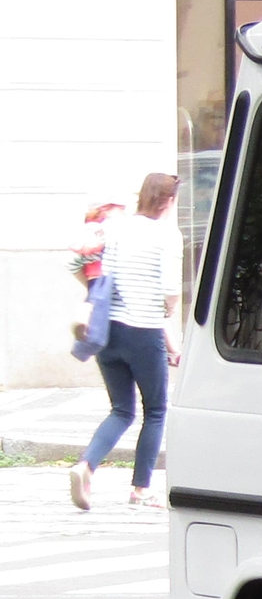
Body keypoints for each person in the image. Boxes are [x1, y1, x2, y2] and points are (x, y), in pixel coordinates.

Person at [70, 172, 183, 511]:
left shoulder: (119, 228)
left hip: (109, 332)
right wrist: (169, 307)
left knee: (121, 409)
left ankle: (85, 465)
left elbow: (102, 273)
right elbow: (170, 291)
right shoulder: (168, 235)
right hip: (143, 333)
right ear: (168, 200)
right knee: (156, 410)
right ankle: (141, 489)